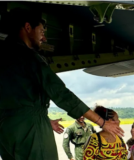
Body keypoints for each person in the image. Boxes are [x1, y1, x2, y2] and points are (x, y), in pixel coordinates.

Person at [0, 8, 123, 160]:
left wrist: (40, 120)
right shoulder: (29, 58)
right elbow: (61, 93)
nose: (44, 39)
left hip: (6, 130)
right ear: (27, 28)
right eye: (42, 32)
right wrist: (102, 122)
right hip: (31, 129)